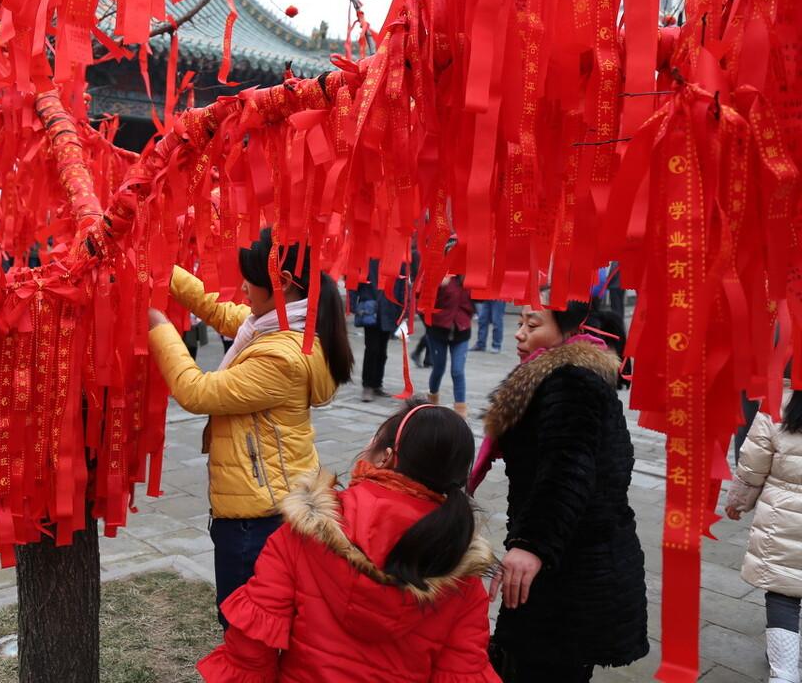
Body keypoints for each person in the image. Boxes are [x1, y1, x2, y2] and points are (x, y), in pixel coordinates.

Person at [197, 401, 500, 682]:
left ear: (386, 456)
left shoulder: (306, 529)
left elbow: (251, 647)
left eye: (375, 438)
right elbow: (463, 672)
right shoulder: (459, 568)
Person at [147, 226, 354, 626]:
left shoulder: (282, 355)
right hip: (271, 500)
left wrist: (158, 325)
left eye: (250, 280)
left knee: (248, 630)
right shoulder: (285, 325)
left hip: (257, 518)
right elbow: (222, 311)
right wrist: (159, 269)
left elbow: (196, 391)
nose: (242, 288)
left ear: (284, 284)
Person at [482, 297, 648, 681]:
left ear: (567, 329)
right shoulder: (558, 374)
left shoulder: (570, 381)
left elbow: (568, 469)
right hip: (569, 563)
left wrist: (531, 545)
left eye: (533, 325)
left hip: (573, 575)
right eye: (520, 323)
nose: (520, 334)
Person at [725, 393, 802, 683]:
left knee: (783, 593)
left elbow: (753, 463)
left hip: (782, 516)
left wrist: (738, 501)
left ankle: (784, 673)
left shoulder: (779, 402)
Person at [423, 248, 474, 417]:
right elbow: (424, 301)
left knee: (457, 371)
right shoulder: (439, 274)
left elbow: (479, 300)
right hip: (438, 330)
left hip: (461, 330)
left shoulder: (469, 276)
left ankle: (461, 412)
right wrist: (437, 286)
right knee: (438, 368)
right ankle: (432, 401)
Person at [353, 258, 406, 402]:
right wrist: (354, 305)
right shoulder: (368, 259)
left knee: (382, 351)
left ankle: (377, 384)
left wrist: (402, 310)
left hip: (389, 309)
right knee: (372, 349)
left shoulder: (398, 260)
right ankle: (367, 385)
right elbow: (355, 281)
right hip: (371, 310)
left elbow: (402, 286)